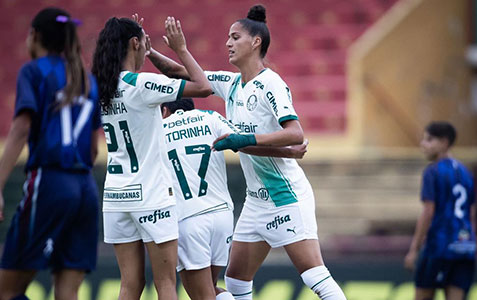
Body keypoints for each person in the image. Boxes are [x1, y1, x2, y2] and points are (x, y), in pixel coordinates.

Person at [147, 5, 346, 300]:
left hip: (284, 194)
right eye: (228, 37)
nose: (228, 43)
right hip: (255, 201)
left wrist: (244, 138)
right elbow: (179, 72)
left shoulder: (271, 84)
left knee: (314, 275)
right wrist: (150, 52)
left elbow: (295, 133)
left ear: (255, 42)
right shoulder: (231, 84)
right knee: (237, 281)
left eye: (235, 37)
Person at [91, 15, 211, 300]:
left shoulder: (101, 88)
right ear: (135, 44)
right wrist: (180, 48)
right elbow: (204, 86)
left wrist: (145, 48)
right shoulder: (141, 84)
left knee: (129, 285)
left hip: (116, 196)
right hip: (151, 194)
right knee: (166, 285)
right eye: (143, 43)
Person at [0, 7, 100, 300]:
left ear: (34, 36)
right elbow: (93, 149)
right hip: (85, 188)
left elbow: (21, 129)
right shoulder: (88, 81)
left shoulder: (34, 72)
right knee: (68, 293)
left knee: (9, 292)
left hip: (50, 182)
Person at [161, 98, 237, 300]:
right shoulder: (210, 117)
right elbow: (241, 139)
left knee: (202, 296)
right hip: (223, 216)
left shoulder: (158, 128)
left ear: (164, 110)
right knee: (210, 290)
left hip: (189, 219)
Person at [404, 121, 476, 300]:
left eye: (429, 139)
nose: (423, 144)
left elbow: (429, 211)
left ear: (444, 142)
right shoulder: (466, 172)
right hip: (465, 246)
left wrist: (414, 249)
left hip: (439, 246)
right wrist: (471, 241)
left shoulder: (433, 172)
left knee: (423, 295)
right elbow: (472, 213)